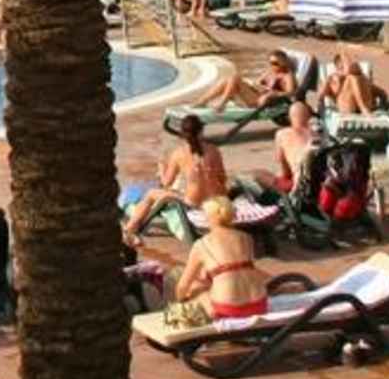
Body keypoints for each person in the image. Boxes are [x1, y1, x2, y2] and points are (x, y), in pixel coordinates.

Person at [119, 114, 228, 245]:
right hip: (218, 199)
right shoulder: (214, 150)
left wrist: (162, 170)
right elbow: (222, 178)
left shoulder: (179, 154)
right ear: (201, 131)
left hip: (194, 203)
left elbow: (166, 183)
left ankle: (130, 230)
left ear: (183, 134)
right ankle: (130, 230)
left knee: (151, 194)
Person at [162, 194, 268, 326]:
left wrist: (181, 300)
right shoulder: (246, 238)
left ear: (209, 218)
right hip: (259, 304)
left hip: (228, 309)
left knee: (192, 285)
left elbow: (183, 286)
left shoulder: (202, 244)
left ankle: (180, 313)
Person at [176, 48, 297, 111]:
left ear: (283, 63)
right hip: (256, 93)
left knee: (235, 78)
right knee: (228, 79)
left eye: (275, 63)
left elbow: (291, 93)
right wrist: (254, 84)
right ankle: (203, 101)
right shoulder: (269, 71)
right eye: (270, 62)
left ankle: (222, 104)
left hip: (262, 101)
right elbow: (257, 82)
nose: (272, 65)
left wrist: (273, 93)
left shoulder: (287, 76)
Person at [265, 100, 317, 194]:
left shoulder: (282, 134)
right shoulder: (318, 133)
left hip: (301, 183)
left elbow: (283, 167)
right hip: (321, 179)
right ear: (309, 117)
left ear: (289, 118)